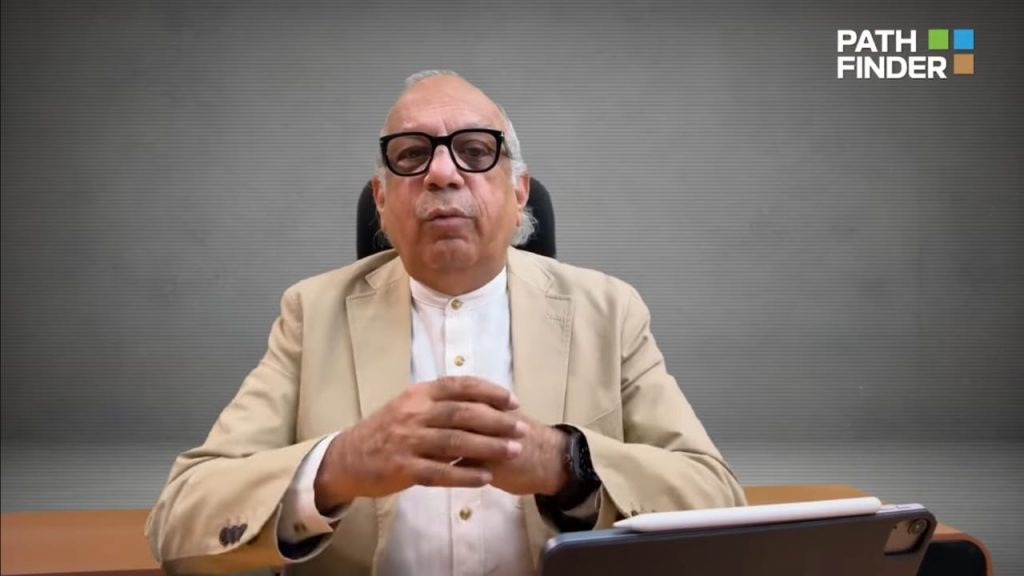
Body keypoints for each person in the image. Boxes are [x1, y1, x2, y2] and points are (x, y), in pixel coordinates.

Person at [145, 70, 746, 576]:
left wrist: (567, 466)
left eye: (475, 151)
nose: (441, 173)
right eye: (411, 155)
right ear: (382, 201)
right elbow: (178, 521)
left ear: (518, 193)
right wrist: (338, 466)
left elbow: (716, 498)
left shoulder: (609, 310)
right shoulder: (312, 312)